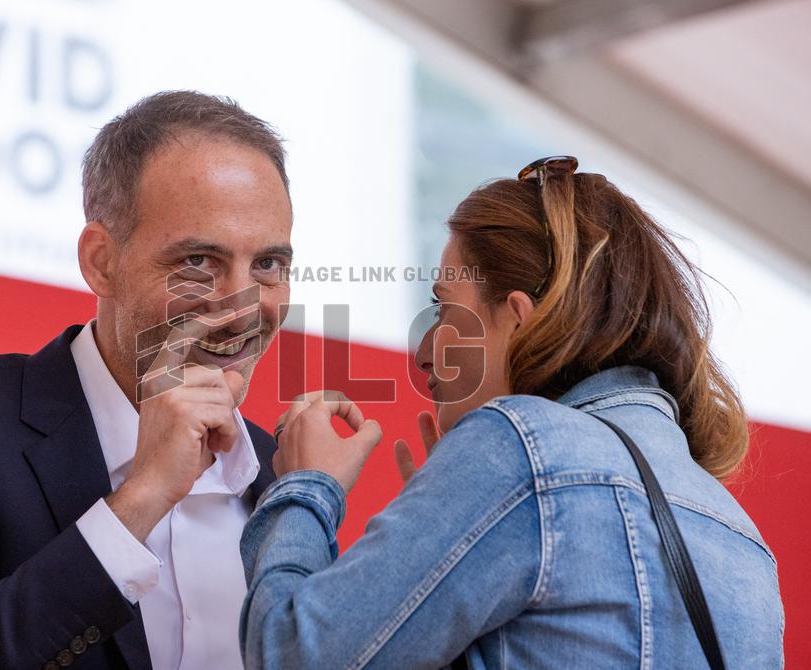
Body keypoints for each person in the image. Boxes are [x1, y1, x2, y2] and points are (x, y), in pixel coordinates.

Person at [241, 157, 784, 669]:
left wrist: (306, 488)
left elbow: (291, 654)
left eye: (444, 309)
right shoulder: (743, 541)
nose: (424, 351)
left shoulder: (522, 447)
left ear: (519, 320)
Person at [0, 91, 294, 670]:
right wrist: (141, 499)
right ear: (101, 260)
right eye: (197, 261)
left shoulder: (280, 470)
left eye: (268, 265)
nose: (239, 306)